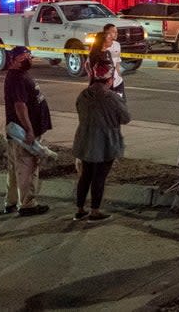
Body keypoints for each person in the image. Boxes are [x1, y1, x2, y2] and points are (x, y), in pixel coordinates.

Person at [73, 60, 131, 221]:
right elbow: (125, 118)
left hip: (84, 140)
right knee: (99, 176)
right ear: (110, 80)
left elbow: (78, 110)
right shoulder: (111, 98)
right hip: (105, 142)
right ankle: (95, 211)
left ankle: (79, 209)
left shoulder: (83, 95)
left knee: (85, 175)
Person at [3, 46, 52, 216]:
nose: (28, 59)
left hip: (17, 132)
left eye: (29, 56)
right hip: (23, 133)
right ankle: (28, 204)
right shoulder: (16, 78)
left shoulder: (20, 75)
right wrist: (29, 130)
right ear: (13, 59)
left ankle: (11, 202)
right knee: (28, 168)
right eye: (23, 57)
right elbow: (20, 106)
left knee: (15, 168)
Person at [85, 24, 124, 98]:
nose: (116, 34)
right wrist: (92, 78)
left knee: (121, 105)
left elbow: (117, 62)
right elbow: (88, 65)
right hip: (105, 86)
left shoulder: (116, 45)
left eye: (117, 32)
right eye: (113, 32)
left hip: (118, 83)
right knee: (108, 106)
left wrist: (118, 75)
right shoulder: (96, 54)